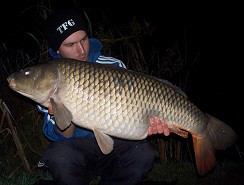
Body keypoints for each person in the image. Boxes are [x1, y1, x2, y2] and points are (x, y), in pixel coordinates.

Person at [36, 8, 170, 185]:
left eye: (84, 40)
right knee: (58, 156)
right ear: (57, 50)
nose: (81, 50)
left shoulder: (113, 65)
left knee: (144, 153)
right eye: (70, 45)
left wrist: (151, 124)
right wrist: (63, 111)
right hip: (78, 150)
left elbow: (136, 115)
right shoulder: (49, 78)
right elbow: (64, 136)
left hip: (116, 144)